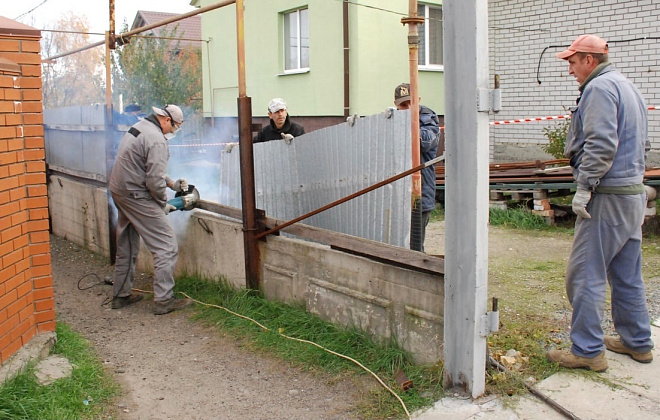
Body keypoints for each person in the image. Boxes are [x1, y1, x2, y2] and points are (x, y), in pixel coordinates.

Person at [546, 35, 654, 371]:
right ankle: (637, 342)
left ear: (589, 60)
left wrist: (585, 187)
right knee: (626, 273)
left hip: (608, 196)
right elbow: (643, 143)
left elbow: (602, 144)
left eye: (572, 62)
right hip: (632, 193)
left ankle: (587, 351)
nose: (570, 70)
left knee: (585, 274)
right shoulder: (627, 86)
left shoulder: (599, 89)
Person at [109, 104, 194, 315]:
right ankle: (164, 301)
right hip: (135, 194)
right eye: (175, 127)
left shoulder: (140, 127)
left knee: (127, 243)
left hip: (120, 190)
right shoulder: (157, 140)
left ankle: (121, 295)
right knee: (166, 246)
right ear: (166, 120)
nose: (174, 131)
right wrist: (162, 202)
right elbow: (154, 181)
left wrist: (172, 184)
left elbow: (143, 165)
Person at [394, 83, 440, 252]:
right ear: (395, 104)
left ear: (418, 100)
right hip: (398, 191)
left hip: (421, 190)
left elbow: (427, 142)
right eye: (402, 105)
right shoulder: (395, 120)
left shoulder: (428, 117)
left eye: (410, 103)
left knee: (415, 246)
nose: (407, 109)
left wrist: (406, 126)